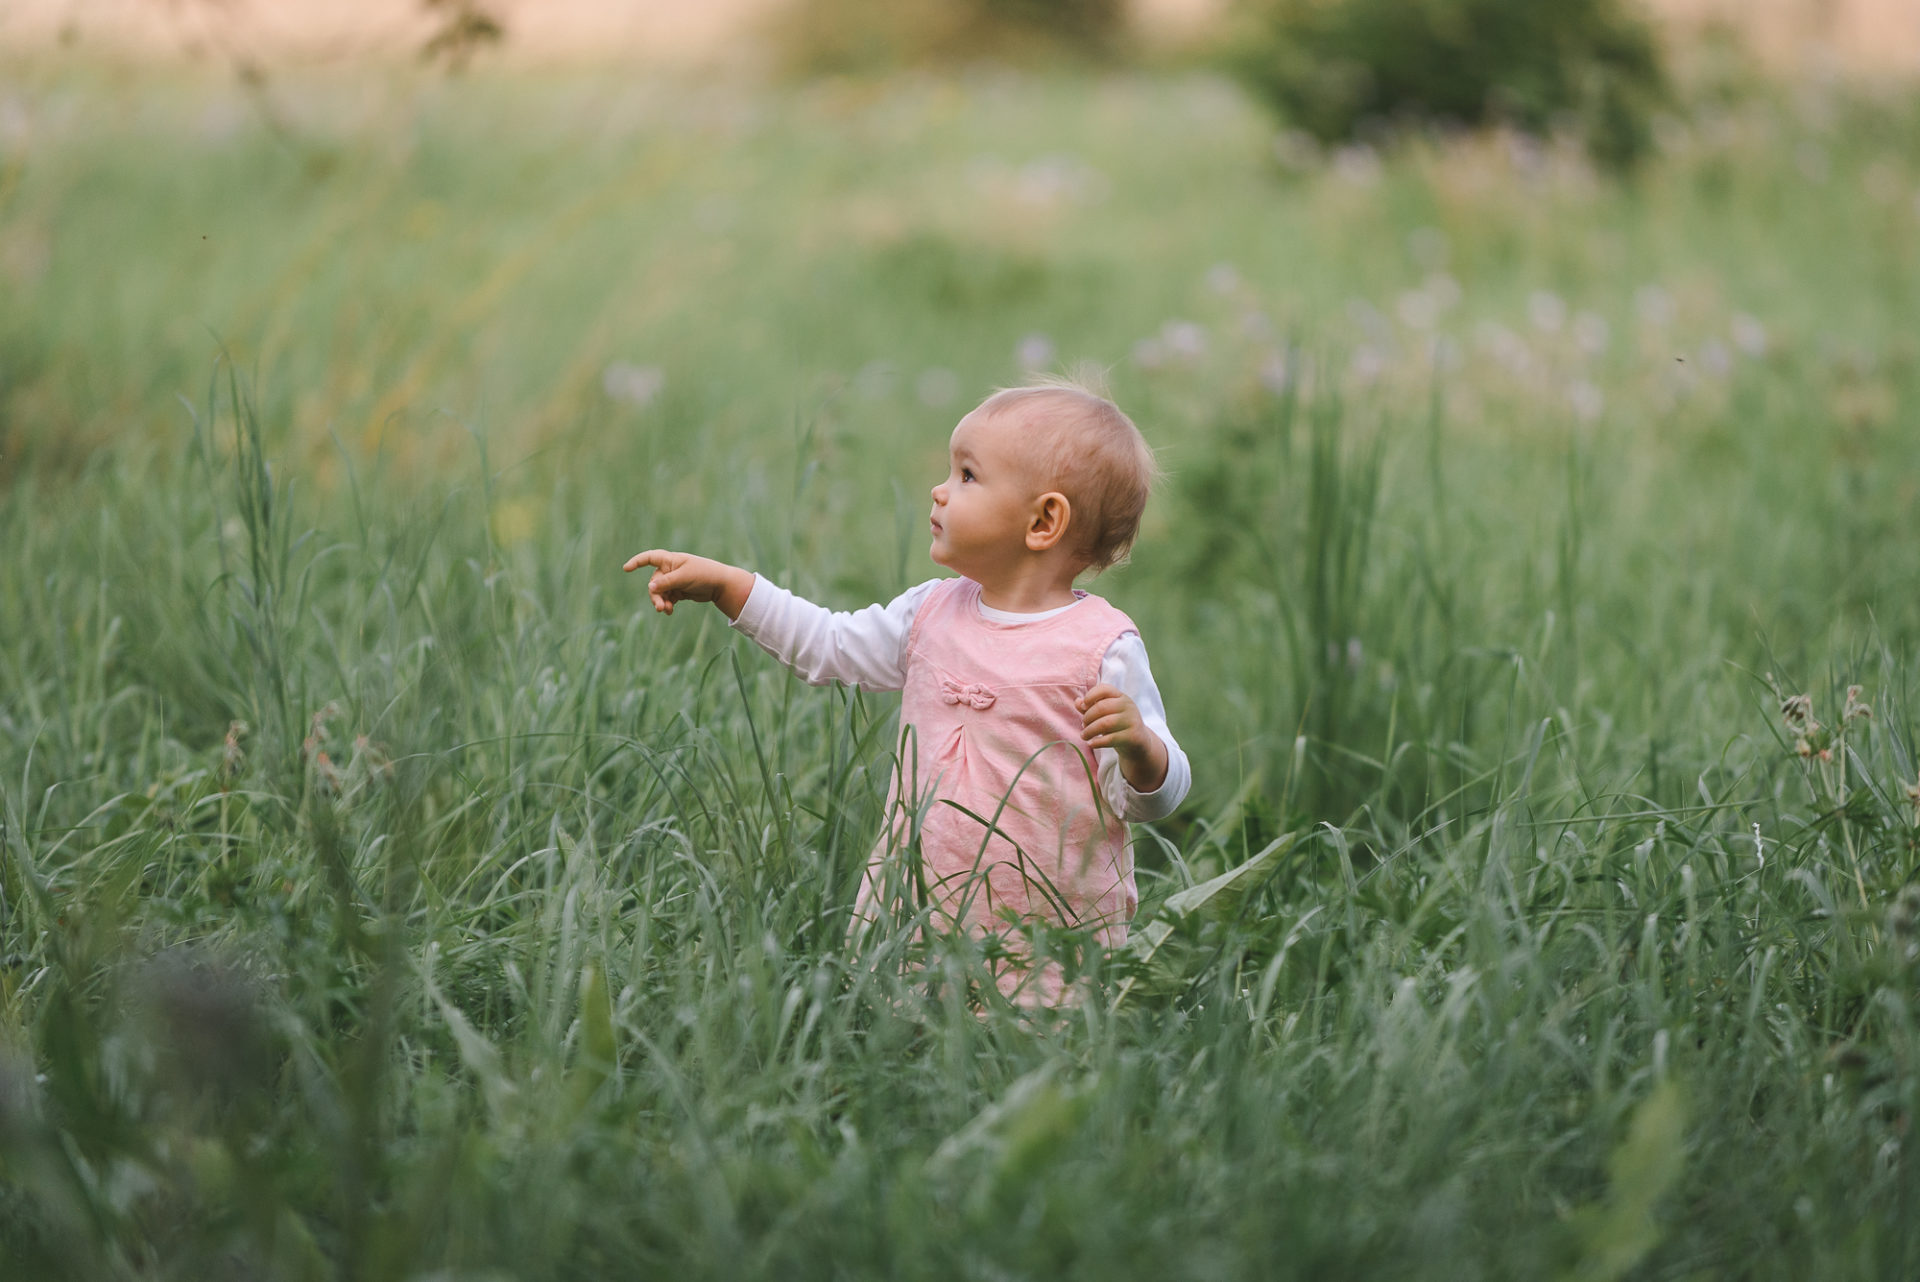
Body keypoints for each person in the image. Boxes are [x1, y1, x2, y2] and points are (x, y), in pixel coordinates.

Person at [623, 376, 1190, 1004]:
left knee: (1026, 1072)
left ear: (1044, 520)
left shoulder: (1100, 648)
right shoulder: (929, 614)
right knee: (906, 1060)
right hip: (916, 914)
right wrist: (732, 587)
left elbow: (1152, 801)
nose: (939, 489)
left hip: (1051, 941)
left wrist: (1140, 748)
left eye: (968, 476)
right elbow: (829, 646)